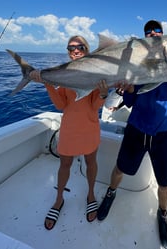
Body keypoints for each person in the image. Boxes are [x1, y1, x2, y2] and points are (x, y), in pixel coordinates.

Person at [97, 20, 167, 249]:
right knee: (120, 168)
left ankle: (163, 214)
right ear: (144, 37)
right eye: (148, 32)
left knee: (165, 182)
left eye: (157, 31)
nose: (153, 33)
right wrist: (129, 90)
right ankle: (110, 194)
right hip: (136, 128)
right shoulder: (136, 64)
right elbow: (130, 101)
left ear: (163, 36)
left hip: (163, 132)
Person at [30, 35, 109, 229]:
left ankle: (90, 194)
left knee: (91, 162)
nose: (75, 50)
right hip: (69, 129)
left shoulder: (96, 71)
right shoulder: (64, 73)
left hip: (89, 128)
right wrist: (47, 83)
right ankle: (59, 199)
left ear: (86, 50)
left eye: (80, 47)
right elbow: (61, 104)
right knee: (64, 165)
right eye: (71, 47)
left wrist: (104, 94)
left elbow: (94, 107)